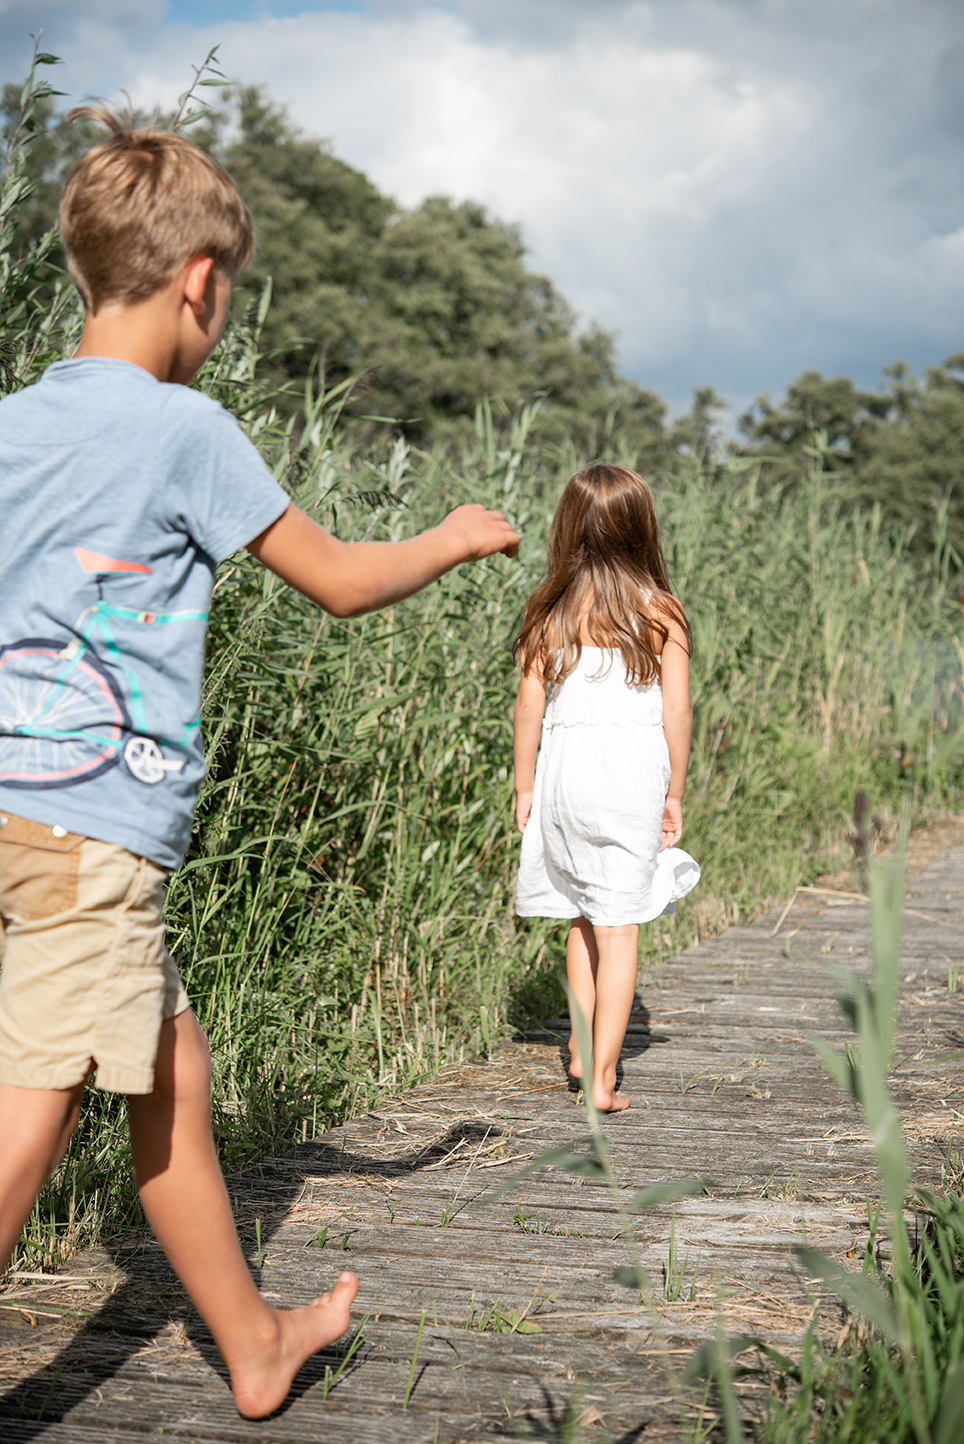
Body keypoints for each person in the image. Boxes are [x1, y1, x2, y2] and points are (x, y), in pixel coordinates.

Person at [0, 109, 518, 1420]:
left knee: (172, 1066)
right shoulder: (185, 430)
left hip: (16, 815)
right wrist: (454, 538)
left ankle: (254, 1343)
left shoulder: (13, 427)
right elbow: (340, 580)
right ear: (201, 283)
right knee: (36, 1103)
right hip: (89, 835)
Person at [513, 462, 698, 1113]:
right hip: (629, 782)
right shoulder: (659, 611)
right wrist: (675, 789)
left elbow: (528, 707)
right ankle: (601, 1079)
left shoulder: (552, 610)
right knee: (620, 929)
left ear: (569, 528)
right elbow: (677, 711)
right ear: (640, 528)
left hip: (565, 779)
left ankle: (581, 1049)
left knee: (583, 916)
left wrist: (523, 785)